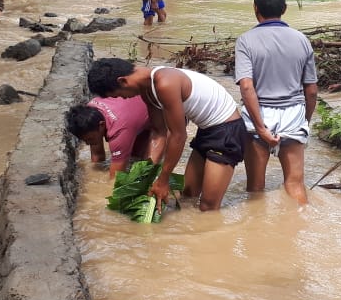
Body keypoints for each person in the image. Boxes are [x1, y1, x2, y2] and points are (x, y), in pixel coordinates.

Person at [87, 57, 245, 212]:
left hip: (226, 131)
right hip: (206, 130)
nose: (122, 98)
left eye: (118, 95)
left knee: (208, 207)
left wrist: (163, 180)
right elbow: (158, 132)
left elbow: (178, 135)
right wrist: (146, 175)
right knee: (188, 196)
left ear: (123, 81)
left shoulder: (165, 83)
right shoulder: (146, 90)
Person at [235, 0, 318, 205]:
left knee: (255, 188)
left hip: (259, 116)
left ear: (255, 8)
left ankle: (258, 235)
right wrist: (305, 121)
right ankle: (298, 228)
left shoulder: (245, 41)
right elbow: (311, 91)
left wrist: (261, 128)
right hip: (293, 114)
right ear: (284, 8)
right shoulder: (302, 40)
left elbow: (246, 87)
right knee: (295, 184)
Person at [64, 96, 152, 177]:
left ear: (101, 125)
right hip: (131, 110)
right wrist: (96, 175)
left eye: (89, 139)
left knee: (139, 159)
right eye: (85, 140)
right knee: (132, 157)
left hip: (153, 112)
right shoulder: (90, 111)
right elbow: (97, 156)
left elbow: (116, 177)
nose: (87, 144)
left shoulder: (118, 131)